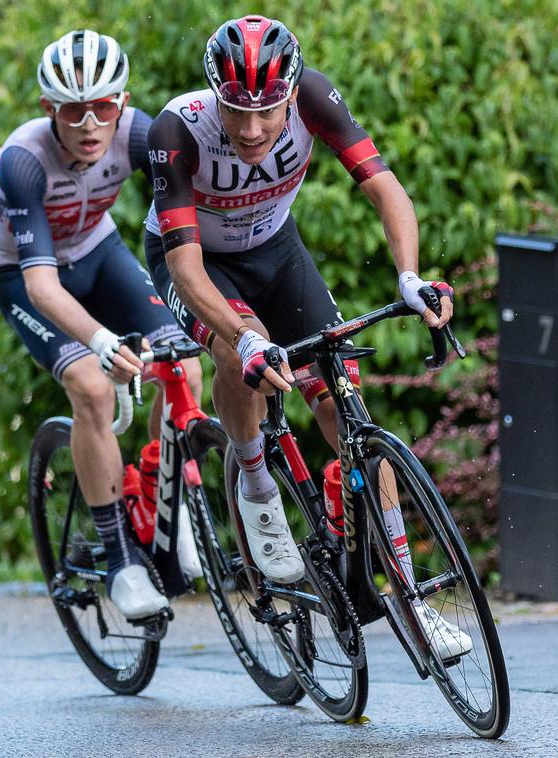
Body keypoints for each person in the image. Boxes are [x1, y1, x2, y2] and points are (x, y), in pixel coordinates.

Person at [142, 15, 469, 657]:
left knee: (341, 403)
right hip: (197, 261)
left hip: (276, 250)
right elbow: (184, 266)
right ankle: (257, 482)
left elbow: (387, 191)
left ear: (292, 95)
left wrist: (409, 277)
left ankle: (410, 600)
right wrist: (242, 337)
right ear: (216, 94)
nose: (254, 129)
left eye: (268, 111)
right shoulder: (177, 129)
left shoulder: (314, 97)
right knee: (245, 353)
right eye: (237, 110)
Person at [0, 30, 203, 620]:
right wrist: (100, 341)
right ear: (47, 109)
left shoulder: (138, 134)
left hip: (97, 250)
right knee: (93, 387)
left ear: (123, 101)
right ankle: (119, 559)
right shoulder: (24, 162)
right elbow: (41, 286)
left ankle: (161, 501)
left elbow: (179, 223)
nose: (88, 123)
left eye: (103, 106)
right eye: (72, 109)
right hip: (23, 271)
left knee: (185, 367)